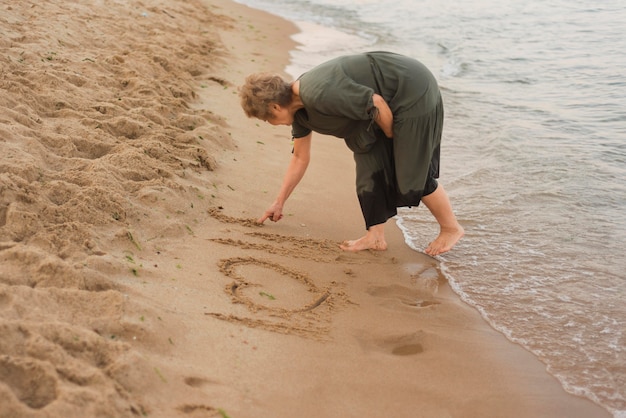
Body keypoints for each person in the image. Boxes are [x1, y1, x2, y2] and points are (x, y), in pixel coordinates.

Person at [239, 51, 464, 256]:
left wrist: (394, 143)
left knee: (409, 170)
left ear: (275, 107)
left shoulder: (318, 92)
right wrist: (279, 202)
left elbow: (375, 102)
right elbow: (299, 157)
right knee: (369, 168)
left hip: (411, 90)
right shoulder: (299, 112)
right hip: (380, 107)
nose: (269, 123)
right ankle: (375, 237)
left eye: (266, 118)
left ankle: (451, 228)